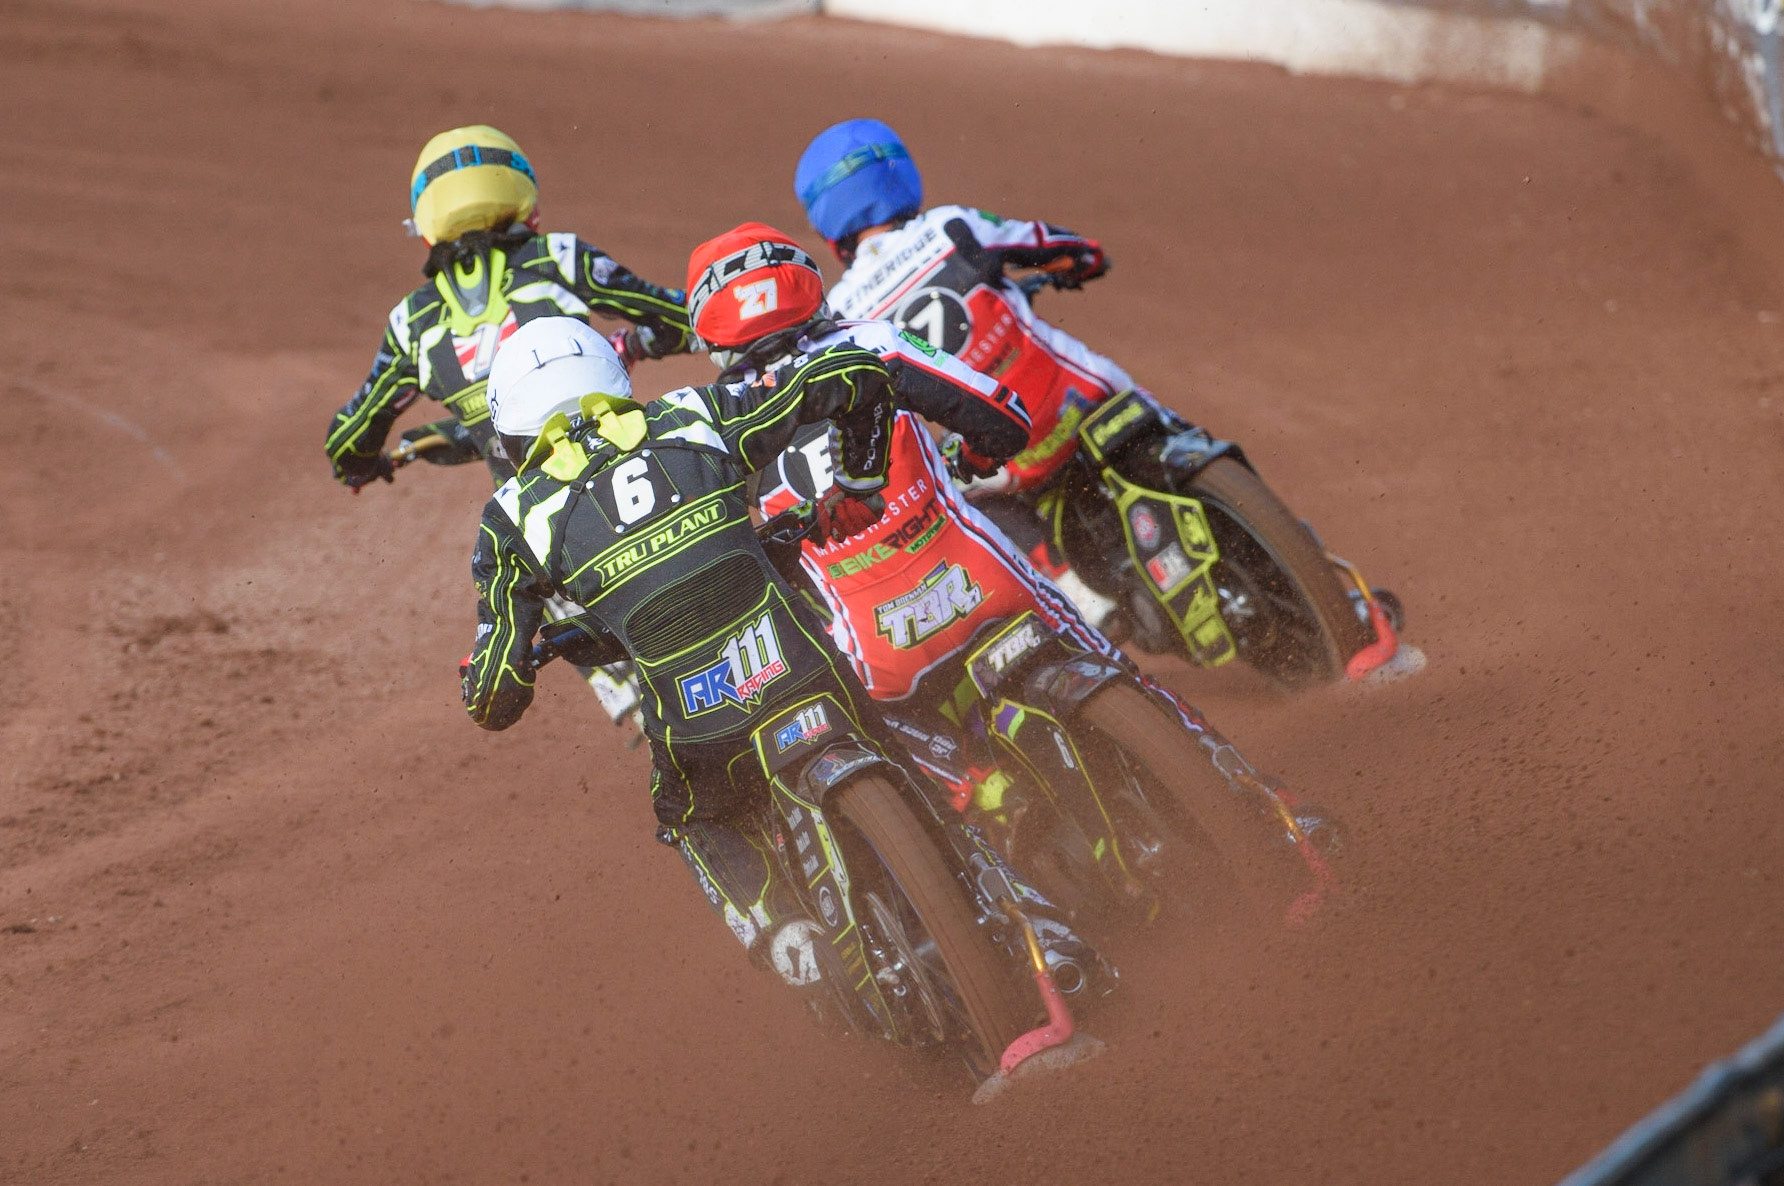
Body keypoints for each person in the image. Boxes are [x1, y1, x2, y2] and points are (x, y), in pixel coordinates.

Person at [460, 314, 907, 991]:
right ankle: (995, 877)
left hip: (702, 729)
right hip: (804, 668)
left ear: (513, 429)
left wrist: (504, 678)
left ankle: (786, 936)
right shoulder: (692, 414)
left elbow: (493, 699)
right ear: (612, 378)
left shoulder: (511, 516)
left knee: (692, 818)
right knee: (897, 732)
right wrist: (862, 478)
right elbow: (848, 376)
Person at [793, 118, 1150, 625]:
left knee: (953, 491)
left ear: (829, 228)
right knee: (1145, 406)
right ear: (902, 177)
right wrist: (1086, 260)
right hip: (1086, 397)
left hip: (1008, 454)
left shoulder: (845, 312)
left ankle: (1076, 590)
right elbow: (1049, 242)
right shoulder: (953, 225)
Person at [325, 125, 693, 490]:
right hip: (627, 485)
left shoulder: (413, 323)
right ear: (520, 190)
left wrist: (362, 465)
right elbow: (681, 317)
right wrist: (637, 345)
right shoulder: (557, 258)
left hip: (539, 525)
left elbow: (346, 443)